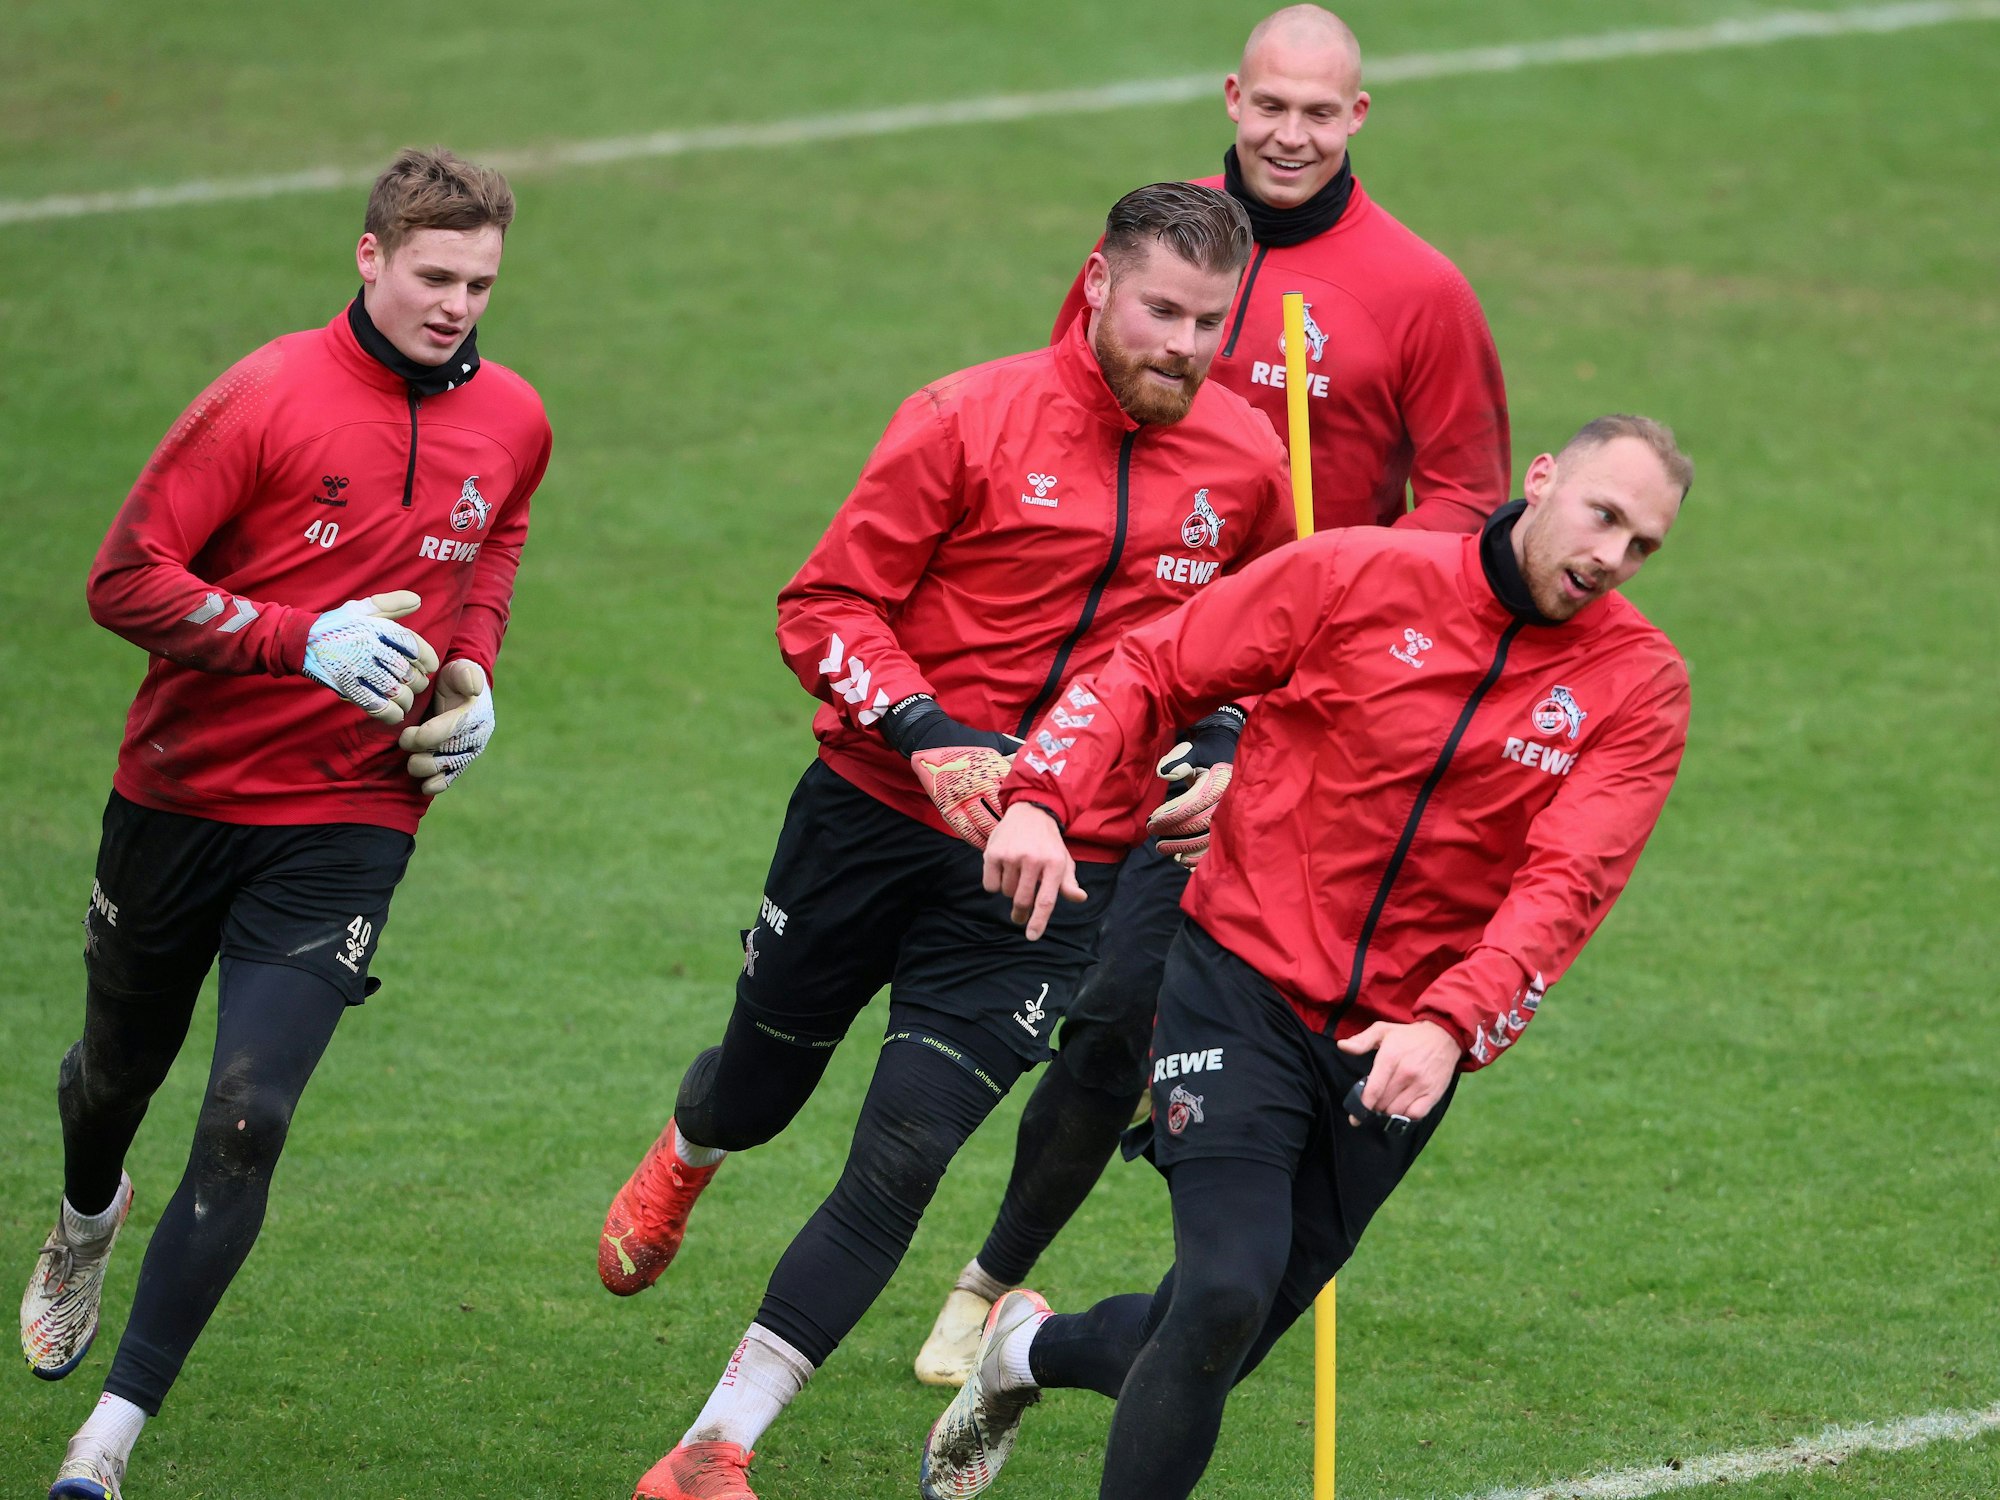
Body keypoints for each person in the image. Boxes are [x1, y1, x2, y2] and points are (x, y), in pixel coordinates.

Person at [594, 182, 1296, 1500]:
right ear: (1097, 283)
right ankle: (693, 1148)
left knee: (905, 1153)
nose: (1186, 346)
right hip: (871, 816)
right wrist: (924, 728)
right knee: (759, 1088)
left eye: (1211, 322)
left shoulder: (1249, 463)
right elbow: (824, 603)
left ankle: (713, 1448)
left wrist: (1225, 752)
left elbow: (1265, 649)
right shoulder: (963, 417)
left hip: (1056, 864)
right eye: (1161, 311)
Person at [919, 416, 1693, 1500]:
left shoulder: (1637, 684)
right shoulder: (1357, 573)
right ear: (1541, 480)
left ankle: (1023, 1353)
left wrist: (1449, 1022)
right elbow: (1153, 664)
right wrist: (1040, 797)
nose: (1610, 555)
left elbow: (1568, 880)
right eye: (1601, 516)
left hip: (1399, 1046)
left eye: (1641, 543)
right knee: (1224, 1293)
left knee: (1213, 1332)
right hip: (1239, 983)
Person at [916, 1, 1512, 1386]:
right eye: (1272, 107)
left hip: (1312, 720)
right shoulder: (1159, 259)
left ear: (1358, 118)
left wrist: (1350, 581)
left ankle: (1017, 1303)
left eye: (1323, 112)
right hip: (1148, 683)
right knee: (1094, 1005)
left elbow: (1477, 499)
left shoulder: (1420, 292)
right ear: (1233, 99)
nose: (1293, 134)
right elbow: (1071, 408)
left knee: (1143, 1003)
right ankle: (996, 1280)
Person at [19, 147, 551, 1500]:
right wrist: (291, 640)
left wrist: (473, 670)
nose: (456, 305)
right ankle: (87, 1217)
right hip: (183, 794)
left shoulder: (516, 417)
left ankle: (106, 1445)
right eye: (434, 276)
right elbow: (122, 580)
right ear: (368, 258)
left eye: (480, 282)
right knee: (115, 1078)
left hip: (353, 814)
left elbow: (492, 541)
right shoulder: (264, 397)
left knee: (248, 1115)